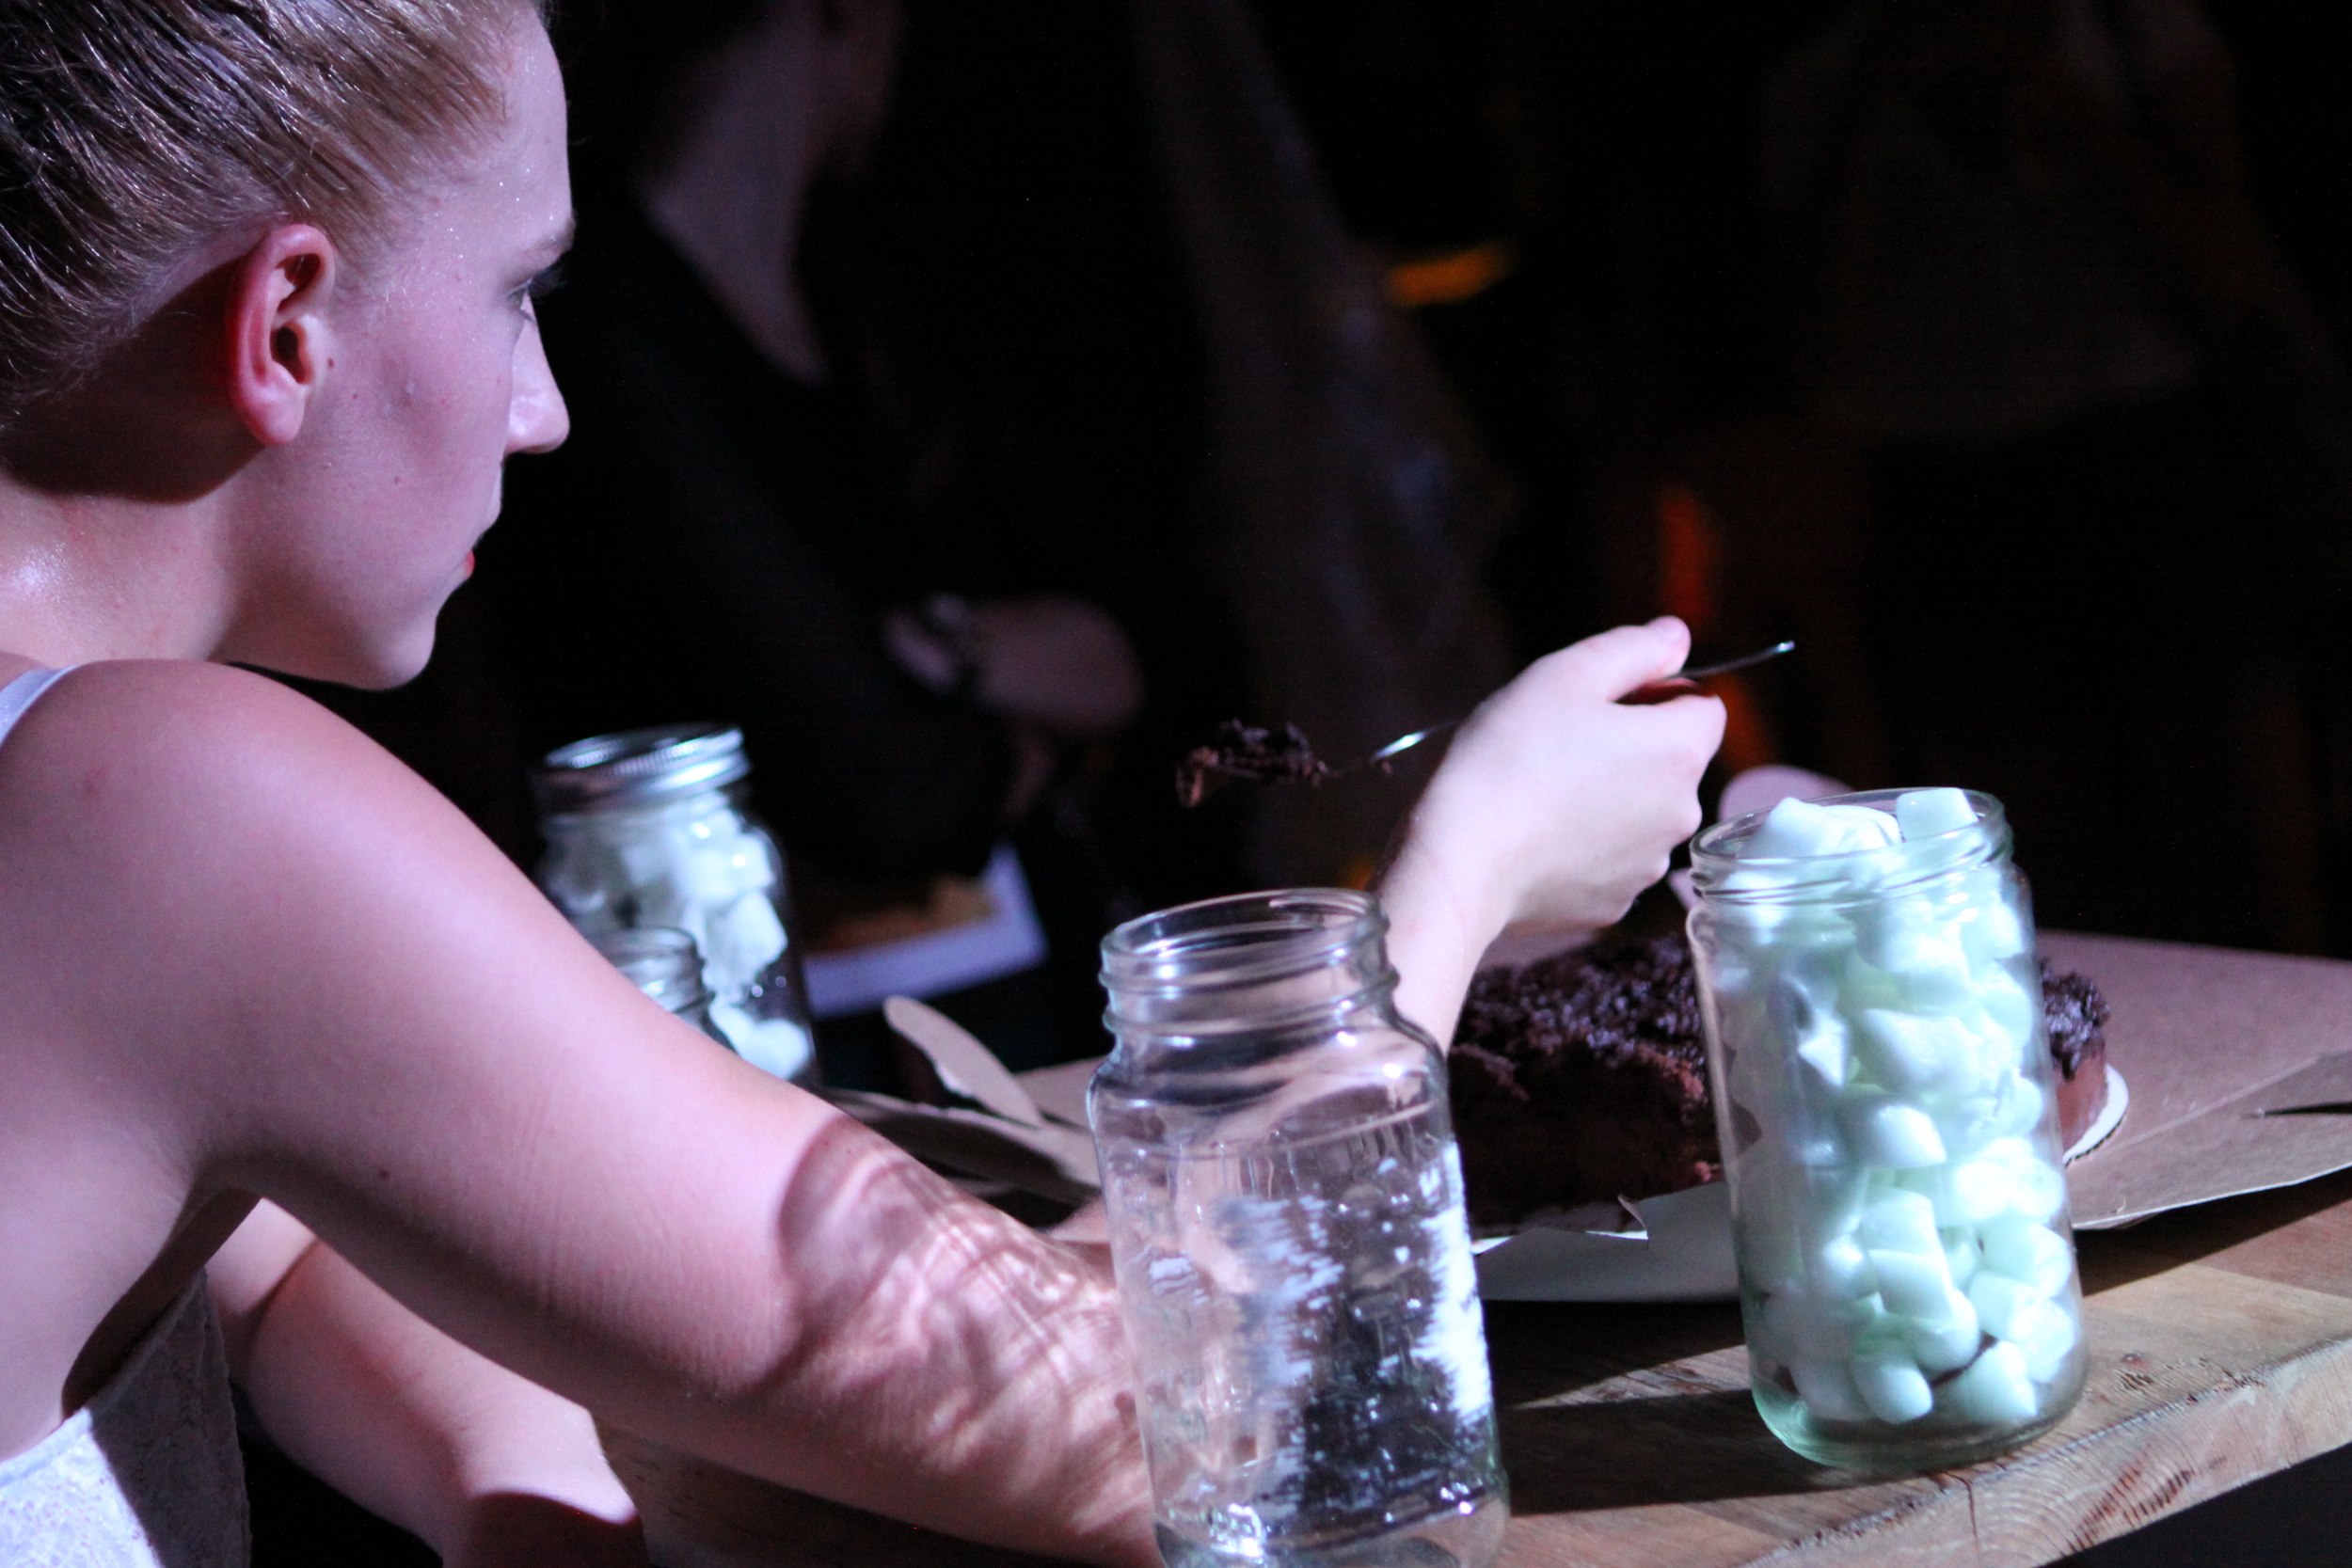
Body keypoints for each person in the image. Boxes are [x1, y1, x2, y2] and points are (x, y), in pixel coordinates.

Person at [0, 4, 1724, 1566]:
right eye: (520, 294)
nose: (544, 413)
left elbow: (273, 1258)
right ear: (287, 324)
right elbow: (1174, 1424)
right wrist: (1471, 866)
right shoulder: (161, 808)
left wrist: (518, 1490)